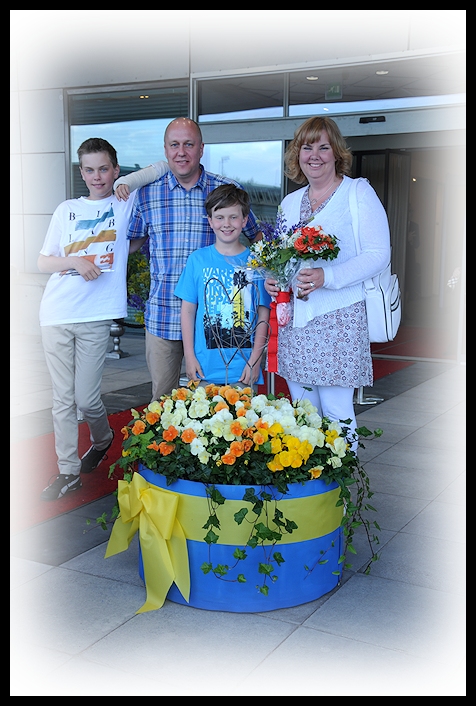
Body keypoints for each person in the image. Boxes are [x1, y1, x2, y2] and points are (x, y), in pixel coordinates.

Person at [38, 138, 155, 501]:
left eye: (104, 168)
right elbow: (43, 261)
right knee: (62, 399)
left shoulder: (125, 203)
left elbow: (163, 167)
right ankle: (68, 471)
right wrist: (75, 261)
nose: (97, 176)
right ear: (82, 172)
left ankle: (103, 439)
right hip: (56, 313)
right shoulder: (67, 210)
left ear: (115, 169)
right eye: (89, 170)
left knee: (87, 399)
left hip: (96, 315)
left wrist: (128, 183)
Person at [114, 117, 262, 402]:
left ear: (201, 148)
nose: (181, 152)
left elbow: (256, 237)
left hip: (216, 322)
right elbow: (131, 243)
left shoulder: (226, 190)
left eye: (188, 144)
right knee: (162, 404)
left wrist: (268, 277)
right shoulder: (147, 194)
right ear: (165, 150)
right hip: (164, 315)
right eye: (174, 145)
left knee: (221, 404)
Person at [264, 116, 391, 448]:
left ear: (336, 152)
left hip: (339, 317)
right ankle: (311, 480)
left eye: (323, 147)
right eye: (307, 148)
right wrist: (274, 280)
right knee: (304, 413)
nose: (315, 155)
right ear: (297, 154)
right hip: (297, 321)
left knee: (336, 413)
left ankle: (340, 479)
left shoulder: (357, 192)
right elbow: (281, 258)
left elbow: (379, 253)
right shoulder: (290, 203)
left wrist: (328, 276)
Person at [174, 184, 271, 387]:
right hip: (204, 368)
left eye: (233, 217)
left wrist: (256, 359)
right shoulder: (197, 260)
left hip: (243, 369)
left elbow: (263, 313)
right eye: (219, 217)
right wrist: (189, 356)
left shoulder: (256, 262)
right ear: (210, 221)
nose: (226, 224)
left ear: (244, 220)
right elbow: (188, 311)